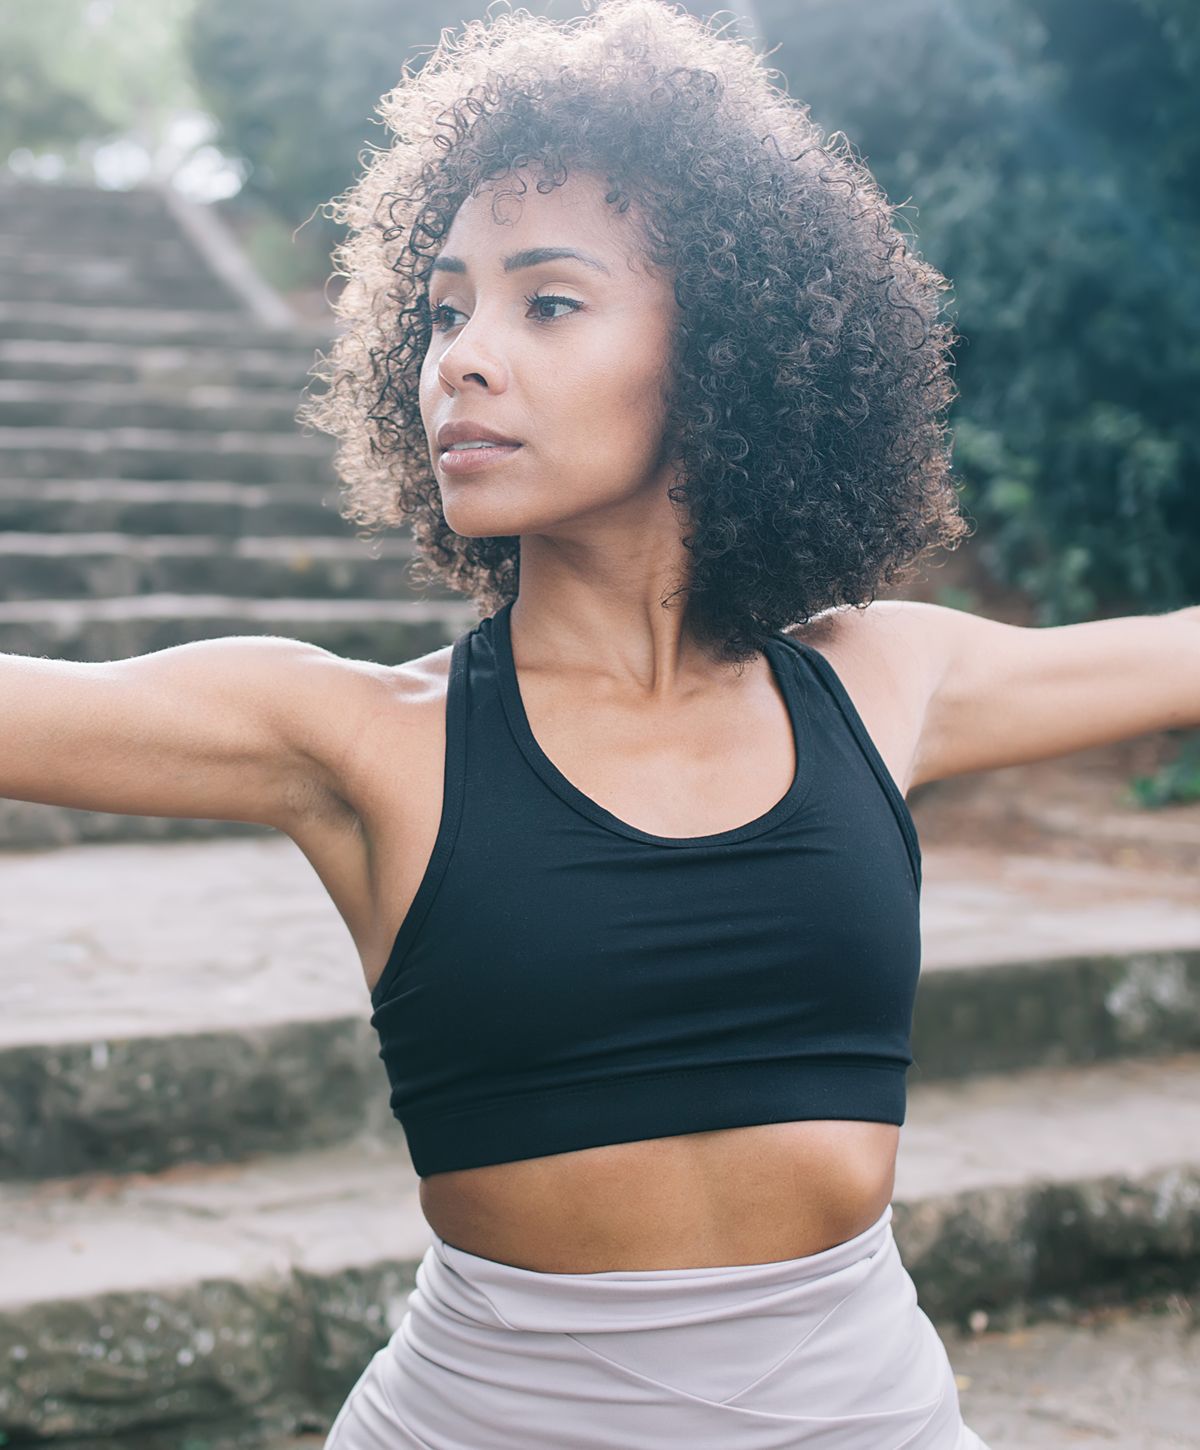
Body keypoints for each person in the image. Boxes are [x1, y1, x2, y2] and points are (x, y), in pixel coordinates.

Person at [4, 1, 1193, 1446]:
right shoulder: (366, 741)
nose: (463, 359)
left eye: (545, 302)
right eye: (444, 310)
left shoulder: (882, 682)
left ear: (724, 350)